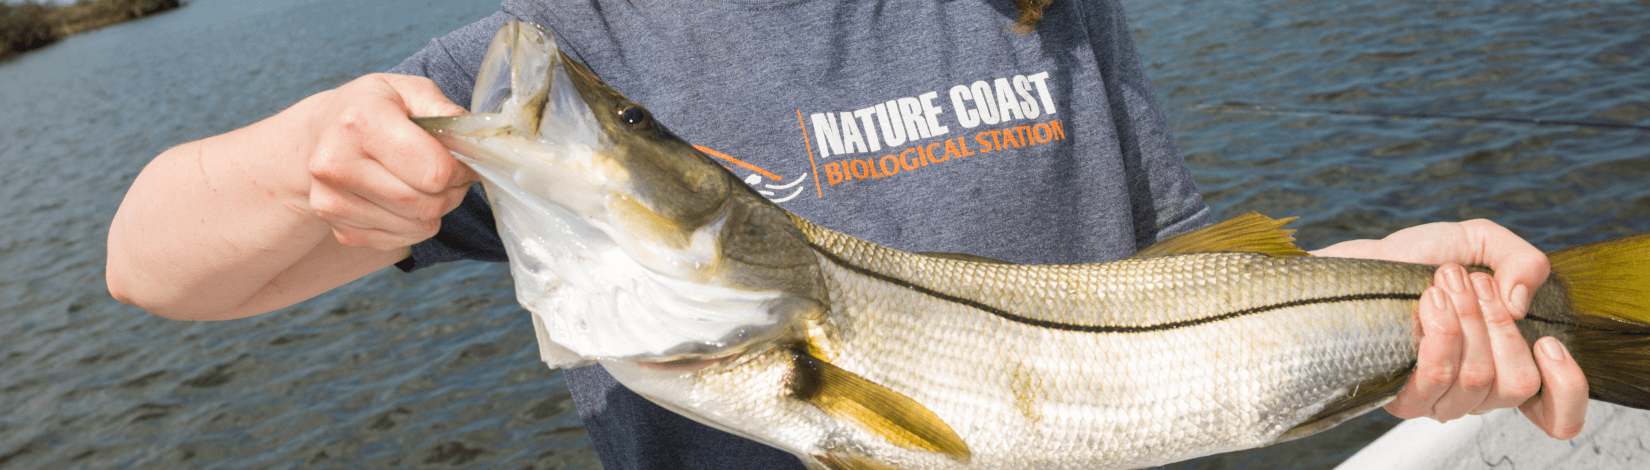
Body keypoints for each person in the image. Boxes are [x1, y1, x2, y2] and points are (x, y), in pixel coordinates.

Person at [106, 1, 1588, 468]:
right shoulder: (567, 51)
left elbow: (1175, 287)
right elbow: (149, 264)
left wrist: (1408, 285)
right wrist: (304, 163)